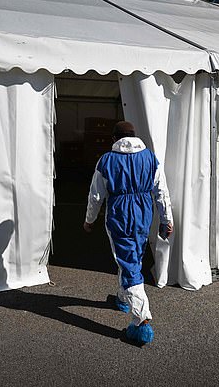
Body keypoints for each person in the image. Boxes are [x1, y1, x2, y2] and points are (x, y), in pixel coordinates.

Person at [83, 121, 173, 345]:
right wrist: (166, 219)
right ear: (134, 136)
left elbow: (96, 195)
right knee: (133, 257)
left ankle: (141, 322)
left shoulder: (106, 161)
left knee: (129, 264)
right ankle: (123, 298)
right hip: (143, 214)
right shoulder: (150, 158)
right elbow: (162, 192)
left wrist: (89, 220)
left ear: (115, 139)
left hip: (119, 216)